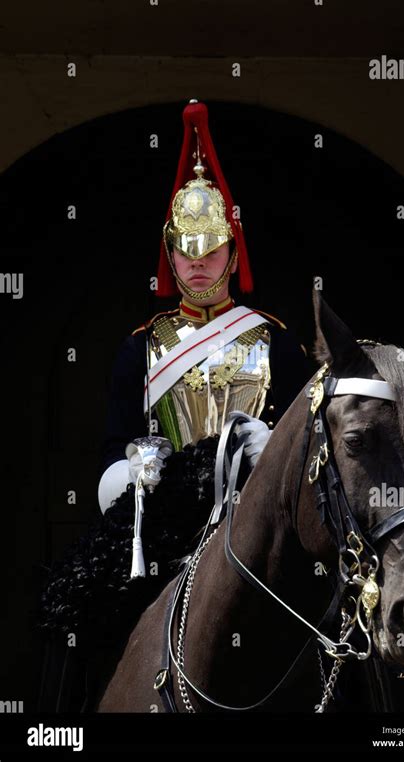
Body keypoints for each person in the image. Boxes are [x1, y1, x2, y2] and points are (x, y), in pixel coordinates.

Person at [38, 99, 310, 711]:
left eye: (209, 246)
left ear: (232, 250)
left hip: (256, 520)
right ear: (169, 249)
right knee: (75, 616)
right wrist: (134, 468)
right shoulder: (141, 348)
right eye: (184, 246)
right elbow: (113, 447)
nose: (197, 260)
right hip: (162, 524)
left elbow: (310, 438)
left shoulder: (276, 340)